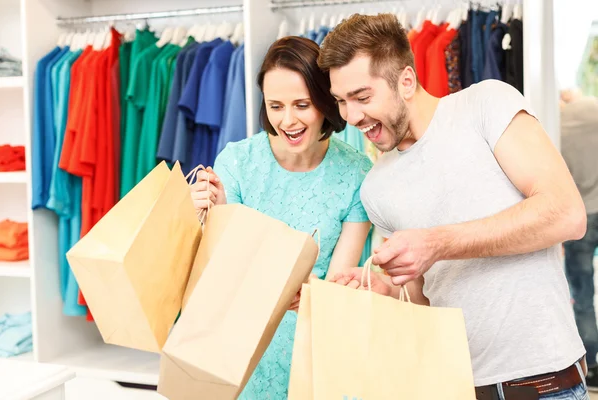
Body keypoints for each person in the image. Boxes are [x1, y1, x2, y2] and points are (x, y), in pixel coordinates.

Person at [320, 14, 590, 400]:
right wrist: (382, 290)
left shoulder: (485, 105)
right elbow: (423, 300)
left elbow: (566, 213)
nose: (351, 117)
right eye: (341, 102)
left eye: (363, 97)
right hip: (453, 387)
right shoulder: (376, 188)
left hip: (543, 386)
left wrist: (437, 243)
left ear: (407, 81)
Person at [190, 36, 373, 399]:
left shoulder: (357, 174)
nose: (287, 120)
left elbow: (337, 287)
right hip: (245, 354)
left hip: (319, 353)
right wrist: (200, 215)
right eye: (275, 106)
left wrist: (310, 293)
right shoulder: (237, 163)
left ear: (325, 102)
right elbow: (221, 274)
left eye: (302, 105)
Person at [560, 89, 598, 391]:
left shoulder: (552, 127)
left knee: (582, 293)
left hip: (580, 217)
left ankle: (593, 364)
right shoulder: (593, 108)